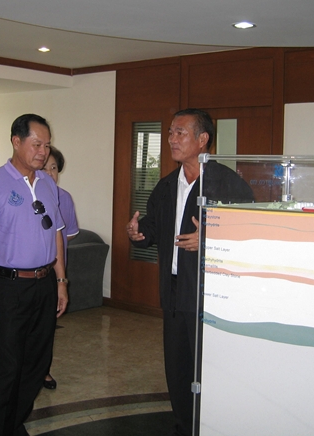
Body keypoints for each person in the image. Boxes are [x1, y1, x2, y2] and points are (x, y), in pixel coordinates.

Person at [126, 108, 253, 436]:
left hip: (211, 295)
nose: (171, 139)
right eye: (170, 132)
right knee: (178, 367)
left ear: (202, 139)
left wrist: (209, 239)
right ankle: (185, 425)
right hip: (173, 290)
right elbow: (153, 227)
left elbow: (250, 233)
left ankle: (214, 427)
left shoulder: (228, 184)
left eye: (180, 132)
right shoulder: (168, 185)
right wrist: (139, 232)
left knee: (211, 368)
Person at [0, 114, 69, 436]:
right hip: (9, 286)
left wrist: (61, 281)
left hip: (45, 284)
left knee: (37, 364)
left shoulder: (48, 184)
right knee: (8, 366)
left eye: (47, 145)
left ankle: (12, 425)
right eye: (36, 144)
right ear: (16, 141)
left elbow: (56, 233)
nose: (43, 152)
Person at [41, 145, 79, 390]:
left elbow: (70, 233)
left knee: (47, 327)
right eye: (45, 168)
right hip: (28, 271)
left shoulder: (64, 198)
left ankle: (43, 371)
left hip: (54, 272)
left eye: (54, 168)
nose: (50, 173)